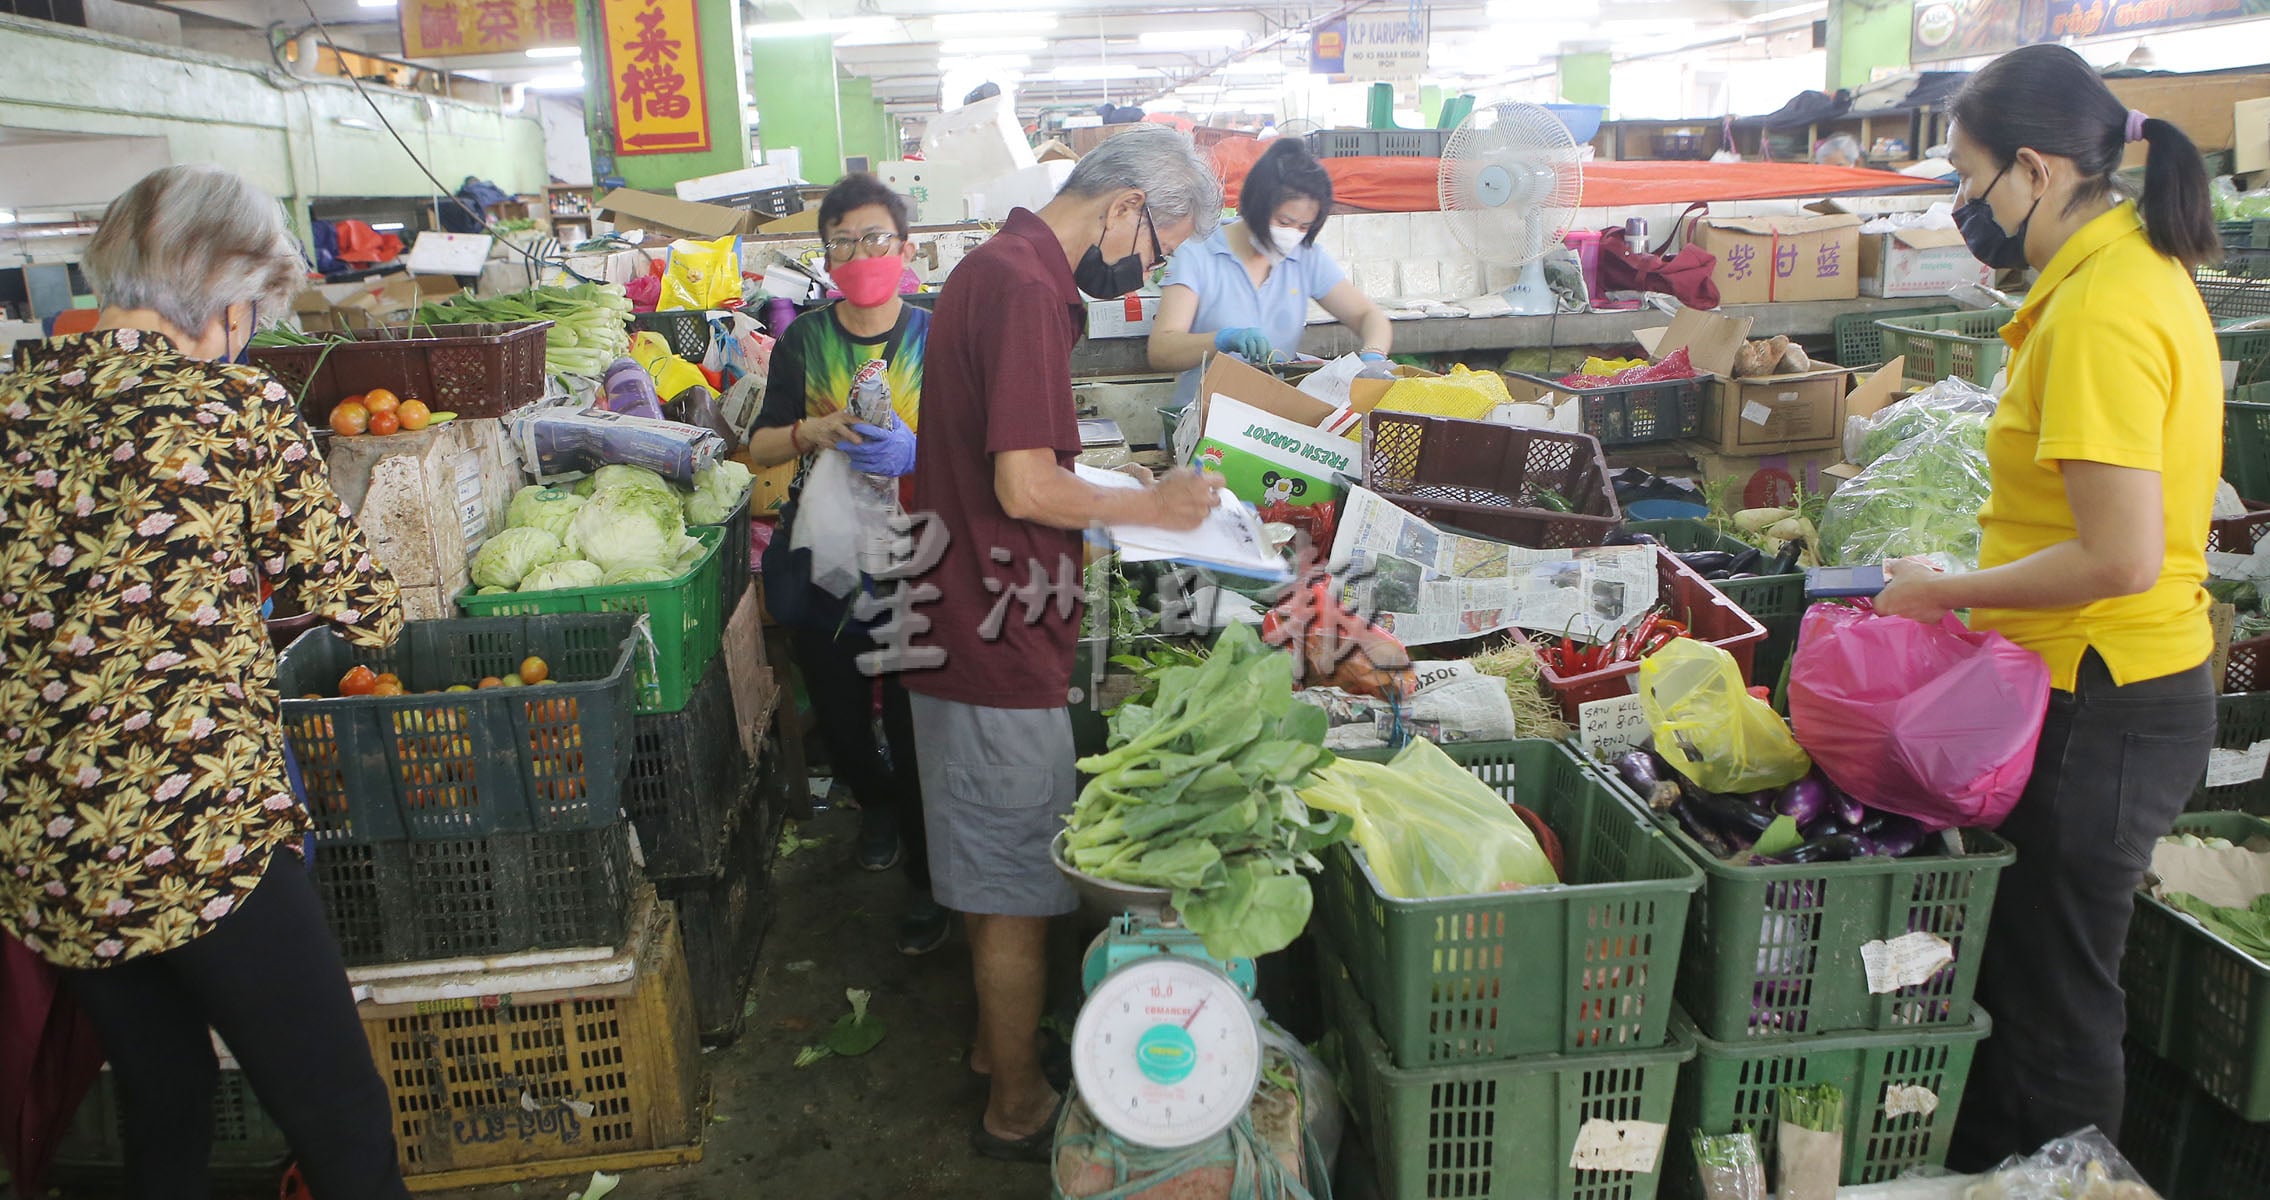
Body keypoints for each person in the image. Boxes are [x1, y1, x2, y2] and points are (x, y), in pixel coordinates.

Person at [0, 164, 409, 1198]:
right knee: (339, 1112)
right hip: (199, 837)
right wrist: (378, 612)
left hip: (52, 845)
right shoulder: (229, 404)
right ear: (229, 296)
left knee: (164, 1102)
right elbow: (350, 595)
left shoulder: (15, 400)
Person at [1870, 43, 2225, 1166]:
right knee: (2029, 980)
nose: (1964, 209)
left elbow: (2116, 556)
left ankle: (2072, 1184)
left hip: (2105, 697)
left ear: (2032, 169)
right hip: (2095, 684)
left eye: (1967, 184)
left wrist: (1945, 593)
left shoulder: (2102, 311)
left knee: (2057, 1006)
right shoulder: (2115, 276)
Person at [901, 124, 1224, 1161]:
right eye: (1156, 247)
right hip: (986, 632)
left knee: (986, 859)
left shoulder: (1003, 267)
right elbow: (1025, 486)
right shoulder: (1025, 286)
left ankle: (992, 1053)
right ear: (1125, 205)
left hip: (966, 610)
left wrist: (1121, 497)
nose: (1146, 272)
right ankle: (1018, 1103)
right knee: (1009, 884)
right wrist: (1158, 508)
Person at [750, 174, 946, 956]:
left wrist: (918, 452)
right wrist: (814, 431)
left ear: (903, 249)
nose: (861, 253)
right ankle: (877, 803)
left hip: (919, 551)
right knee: (839, 706)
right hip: (830, 552)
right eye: (843, 241)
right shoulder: (806, 340)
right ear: (825, 255)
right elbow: (760, 444)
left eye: (875, 238)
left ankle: (932, 881)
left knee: (913, 712)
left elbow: (973, 449)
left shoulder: (938, 335)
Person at [1148, 137, 1392, 410]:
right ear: (1256, 204)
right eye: (1283, 221)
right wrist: (1221, 339)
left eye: (1303, 226)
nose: (1291, 234)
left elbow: (1368, 316)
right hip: (1203, 423)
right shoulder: (1198, 253)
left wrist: (1373, 356)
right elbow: (1162, 350)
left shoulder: (1305, 257)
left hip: (1272, 425)